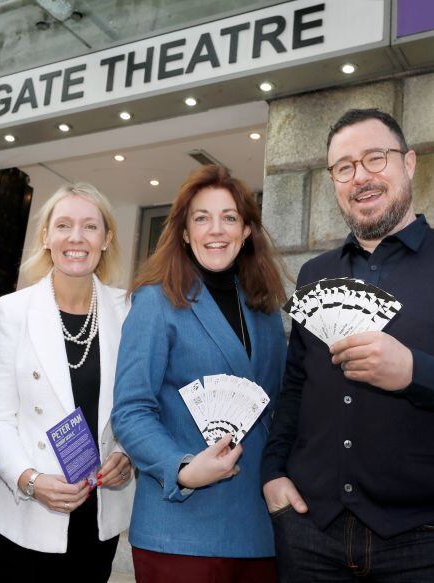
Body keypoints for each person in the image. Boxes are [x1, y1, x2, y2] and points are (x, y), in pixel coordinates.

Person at [261, 108, 434, 582]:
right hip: (311, 536)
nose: (361, 177)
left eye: (376, 158)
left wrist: (415, 372)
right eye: (344, 167)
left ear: (408, 163)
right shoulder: (314, 274)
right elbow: (295, 390)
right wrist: (271, 474)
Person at [111, 165, 288, 582]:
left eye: (229, 217)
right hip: (178, 530)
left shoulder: (265, 311)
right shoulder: (155, 302)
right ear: (186, 232)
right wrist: (183, 467)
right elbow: (132, 411)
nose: (217, 230)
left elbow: (278, 409)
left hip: (259, 529)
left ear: (247, 231)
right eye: (202, 218)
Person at [0, 182, 135, 582]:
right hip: (29, 511)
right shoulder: (11, 311)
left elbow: (137, 404)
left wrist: (127, 454)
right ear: (46, 238)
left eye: (90, 226)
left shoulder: (129, 309)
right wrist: (30, 481)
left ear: (107, 238)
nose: (76, 237)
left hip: (99, 510)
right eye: (63, 225)